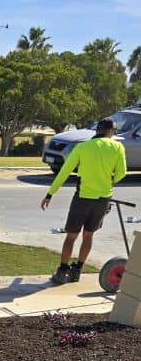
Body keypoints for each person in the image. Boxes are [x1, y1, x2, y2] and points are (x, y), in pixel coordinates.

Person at [41, 117, 127, 284]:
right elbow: (121, 172)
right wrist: (108, 181)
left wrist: (50, 194)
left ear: (97, 130)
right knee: (88, 235)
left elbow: (65, 171)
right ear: (111, 131)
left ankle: (62, 271)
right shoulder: (118, 147)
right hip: (103, 198)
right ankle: (77, 270)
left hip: (83, 197)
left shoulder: (83, 147)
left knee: (71, 235)